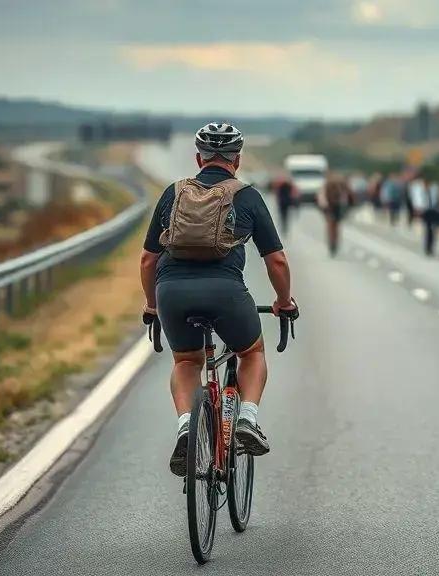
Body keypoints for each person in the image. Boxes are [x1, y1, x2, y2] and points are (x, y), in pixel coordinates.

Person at [139, 122, 297, 475]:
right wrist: (283, 301)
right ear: (237, 160)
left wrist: (152, 304)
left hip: (172, 292)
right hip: (225, 292)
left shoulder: (173, 193)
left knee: (186, 362)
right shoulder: (248, 196)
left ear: (198, 158)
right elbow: (277, 260)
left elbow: (148, 259)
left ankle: (185, 427)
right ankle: (247, 420)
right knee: (251, 353)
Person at [319, 172, 353, 257]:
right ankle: (333, 243)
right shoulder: (341, 183)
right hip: (336, 207)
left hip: (331, 207)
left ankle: (332, 243)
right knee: (335, 226)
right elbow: (349, 194)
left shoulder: (328, 183)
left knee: (331, 226)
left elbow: (322, 195)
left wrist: (323, 205)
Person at [410, 176, 439, 256]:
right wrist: (417, 210)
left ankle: (431, 246)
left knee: (435, 230)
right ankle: (428, 248)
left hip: (435, 211)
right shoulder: (419, 190)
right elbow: (417, 201)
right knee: (428, 230)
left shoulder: (434, 189)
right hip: (426, 211)